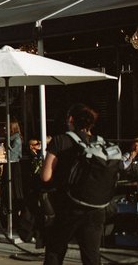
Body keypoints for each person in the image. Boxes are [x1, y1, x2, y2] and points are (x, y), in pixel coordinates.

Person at [41, 103, 111, 265]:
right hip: (96, 206)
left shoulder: (60, 140)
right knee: (91, 253)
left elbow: (45, 176)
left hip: (68, 206)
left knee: (55, 249)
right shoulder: (101, 143)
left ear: (71, 120)